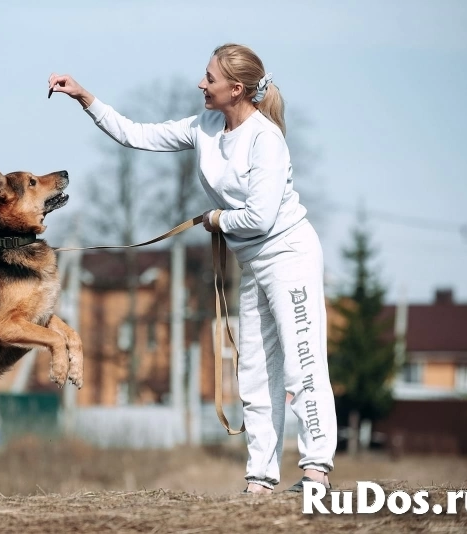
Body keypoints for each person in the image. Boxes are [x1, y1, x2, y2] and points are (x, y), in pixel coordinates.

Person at [48, 43, 337, 494]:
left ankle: (317, 472)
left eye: (209, 78)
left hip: (289, 256)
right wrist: (85, 97)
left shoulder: (266, 139)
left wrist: (216, 219)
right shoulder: (204, 126)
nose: (200, 84)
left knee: (302, 365)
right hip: (252, 262)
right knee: (255, 373)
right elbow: (134, 134)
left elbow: (259, 218)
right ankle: (260, 478)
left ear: (235, 89)